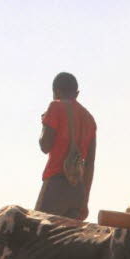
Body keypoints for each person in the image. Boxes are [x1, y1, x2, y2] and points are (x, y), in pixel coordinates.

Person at [35, 72, 97, 220]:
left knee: (35, 235)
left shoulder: (55, 106)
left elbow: (45, 146)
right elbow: (90, 163)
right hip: (78, 191)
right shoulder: (90, 120)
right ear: (77, 93)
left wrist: (45, 122)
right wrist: (84, 200)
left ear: (55, 91)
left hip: (56, 185)